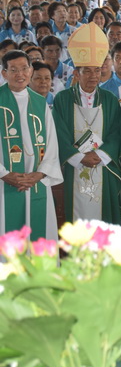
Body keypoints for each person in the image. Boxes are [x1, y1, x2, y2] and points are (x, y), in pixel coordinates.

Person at [53, 24, 121, 224]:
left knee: (104, 218)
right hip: (74, 167)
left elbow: (116, 132)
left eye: (97, 71)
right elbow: (59, 132)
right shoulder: (63, 99)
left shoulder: (109, 99)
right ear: (77, 73)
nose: (93, 76)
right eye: (87, 71)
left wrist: (101, 155)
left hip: (103, 165)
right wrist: (78, 157)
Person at [0, 50, 62, 240]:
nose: (20, 74)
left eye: (24, 68)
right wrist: (4, 174)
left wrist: (40, 174)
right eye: (13, 70)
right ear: (4, 73)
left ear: (30, 70)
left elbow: (52, 144)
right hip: (3, 183)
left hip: (37, 182)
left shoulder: (40, 103)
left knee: (38, 236)